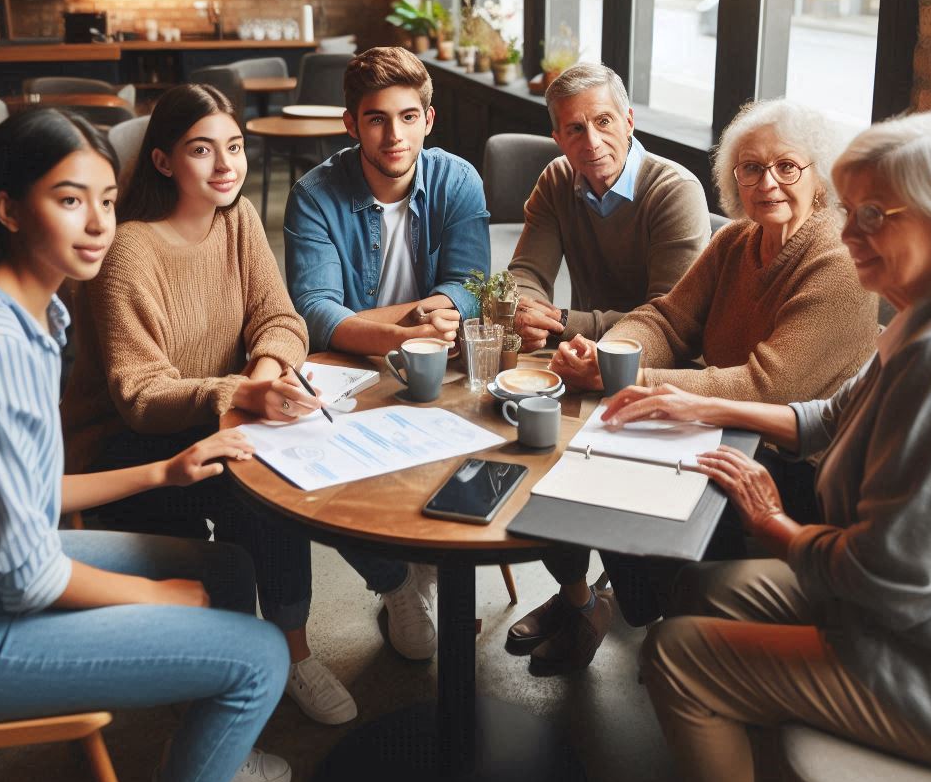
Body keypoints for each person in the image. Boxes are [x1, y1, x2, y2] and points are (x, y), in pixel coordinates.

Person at [607, 109, 931, 782]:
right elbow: (830, 416)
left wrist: (778, 527)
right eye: (851, 210)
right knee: (702, 590)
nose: (847, 231)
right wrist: (704, 406)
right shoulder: (929, 312)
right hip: (918, 617)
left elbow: (891, 583)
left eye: (874, 214)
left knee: (675, 654)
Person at [0, 109, 293, 782]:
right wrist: (155, 596)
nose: (97, 224)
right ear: (8, 209)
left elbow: (25, 499)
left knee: (230, 566)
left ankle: (200, 734)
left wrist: (163, 470)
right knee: (265, 655)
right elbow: (27, 576)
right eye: (69, 200)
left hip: (0, 573)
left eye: (106, 201)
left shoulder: (37, 317)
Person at [507, 98, 879, 675]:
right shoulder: (737, 240)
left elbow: (768, 384)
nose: (767, 182)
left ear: (818, 172)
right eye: (750, 168)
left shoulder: (836, 262)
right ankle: (598, 604)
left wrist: (632, 381)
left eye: (786, 166)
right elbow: (666, 318)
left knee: (616, 470)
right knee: (578, 449)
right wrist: (610, 355)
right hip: (722, 427)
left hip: (793, 466)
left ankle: (650, 620)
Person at [60, 84, 357, 728]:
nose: (226, 165)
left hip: (218, 413)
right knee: (239, 495)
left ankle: (292, 651)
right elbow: (139, 395)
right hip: (123, 444)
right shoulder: (129, 251)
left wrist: (265, 372)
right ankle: (208, 692)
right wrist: (242, 394)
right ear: (164, 161)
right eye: (203, 150)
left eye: (234, 147)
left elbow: (278, 317)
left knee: (273, 482)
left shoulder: (239, 218)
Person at [284, 45, 490, 659]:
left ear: (429, 118)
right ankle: (397, 582)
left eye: (407, 117)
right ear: (351, 124)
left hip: (443, 363)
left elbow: (471, 287)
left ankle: (438, 567)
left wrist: (436, 309)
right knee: (313, 478)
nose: (394, 134)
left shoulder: (457, 180)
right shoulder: (314, 194)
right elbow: (318, 313)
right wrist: (406, 328)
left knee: (487, 446)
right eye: (376, 118)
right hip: (351, 374)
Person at [509, 63, 710, 352]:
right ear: (559, 140)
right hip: (578, 350)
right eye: (576, 129)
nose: (592, 142)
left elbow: (671, 323)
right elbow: (526, 273)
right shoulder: (557, 179)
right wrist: (526, 315)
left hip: (656, 363)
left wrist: (564, 322)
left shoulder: (675, 192)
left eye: (604, 121)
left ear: (629, 122)